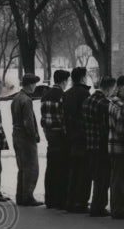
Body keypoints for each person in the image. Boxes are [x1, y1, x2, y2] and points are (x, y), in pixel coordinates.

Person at [82, 75, 116, 217]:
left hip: (90, 142)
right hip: (101, 145)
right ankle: (99, 206)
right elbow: (105, 126)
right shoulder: (104, 104)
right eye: (113, 89)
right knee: (103, 178)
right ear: (108, 88)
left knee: (96, 176)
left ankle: (96, 204)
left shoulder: (87, 100)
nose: (113, 92)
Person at [62, 67, 92, 213]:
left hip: (71, 136)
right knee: (84, 172)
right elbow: (86, 116)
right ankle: (81, 202)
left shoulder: (67, 94)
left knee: (73, 170)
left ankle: (71, 200)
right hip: (82, 137)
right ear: (82, 78)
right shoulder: (85, 94)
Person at [40, 70, 70, 210]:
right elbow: (63, 118)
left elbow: (43, 118)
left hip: (50, 134)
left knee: (51, 167)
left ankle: (49, 199)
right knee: (62, 168)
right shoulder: (62, 96)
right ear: (64, 81)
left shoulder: (45, 95)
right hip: (60, 135)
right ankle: (60, 200)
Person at [11, 73, 43, 206]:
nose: (35, 86)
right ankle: (28, 196)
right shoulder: (27, 100)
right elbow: (28, 122)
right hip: (25, 137)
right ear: (30, 84)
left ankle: (20, 195)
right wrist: (34, 135)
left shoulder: (16, 98)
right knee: (31, 167)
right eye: (34, 83)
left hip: (16, 134)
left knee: (22, 167)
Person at [108, 76, 124, 219]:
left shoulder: (115, 103)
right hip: (119, 147)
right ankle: (119, 209)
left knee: (118, 178)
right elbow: (121, 129)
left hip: (115, 146)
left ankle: (117, 207)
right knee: (120, 179)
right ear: (119, 88)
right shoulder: (119, 105)